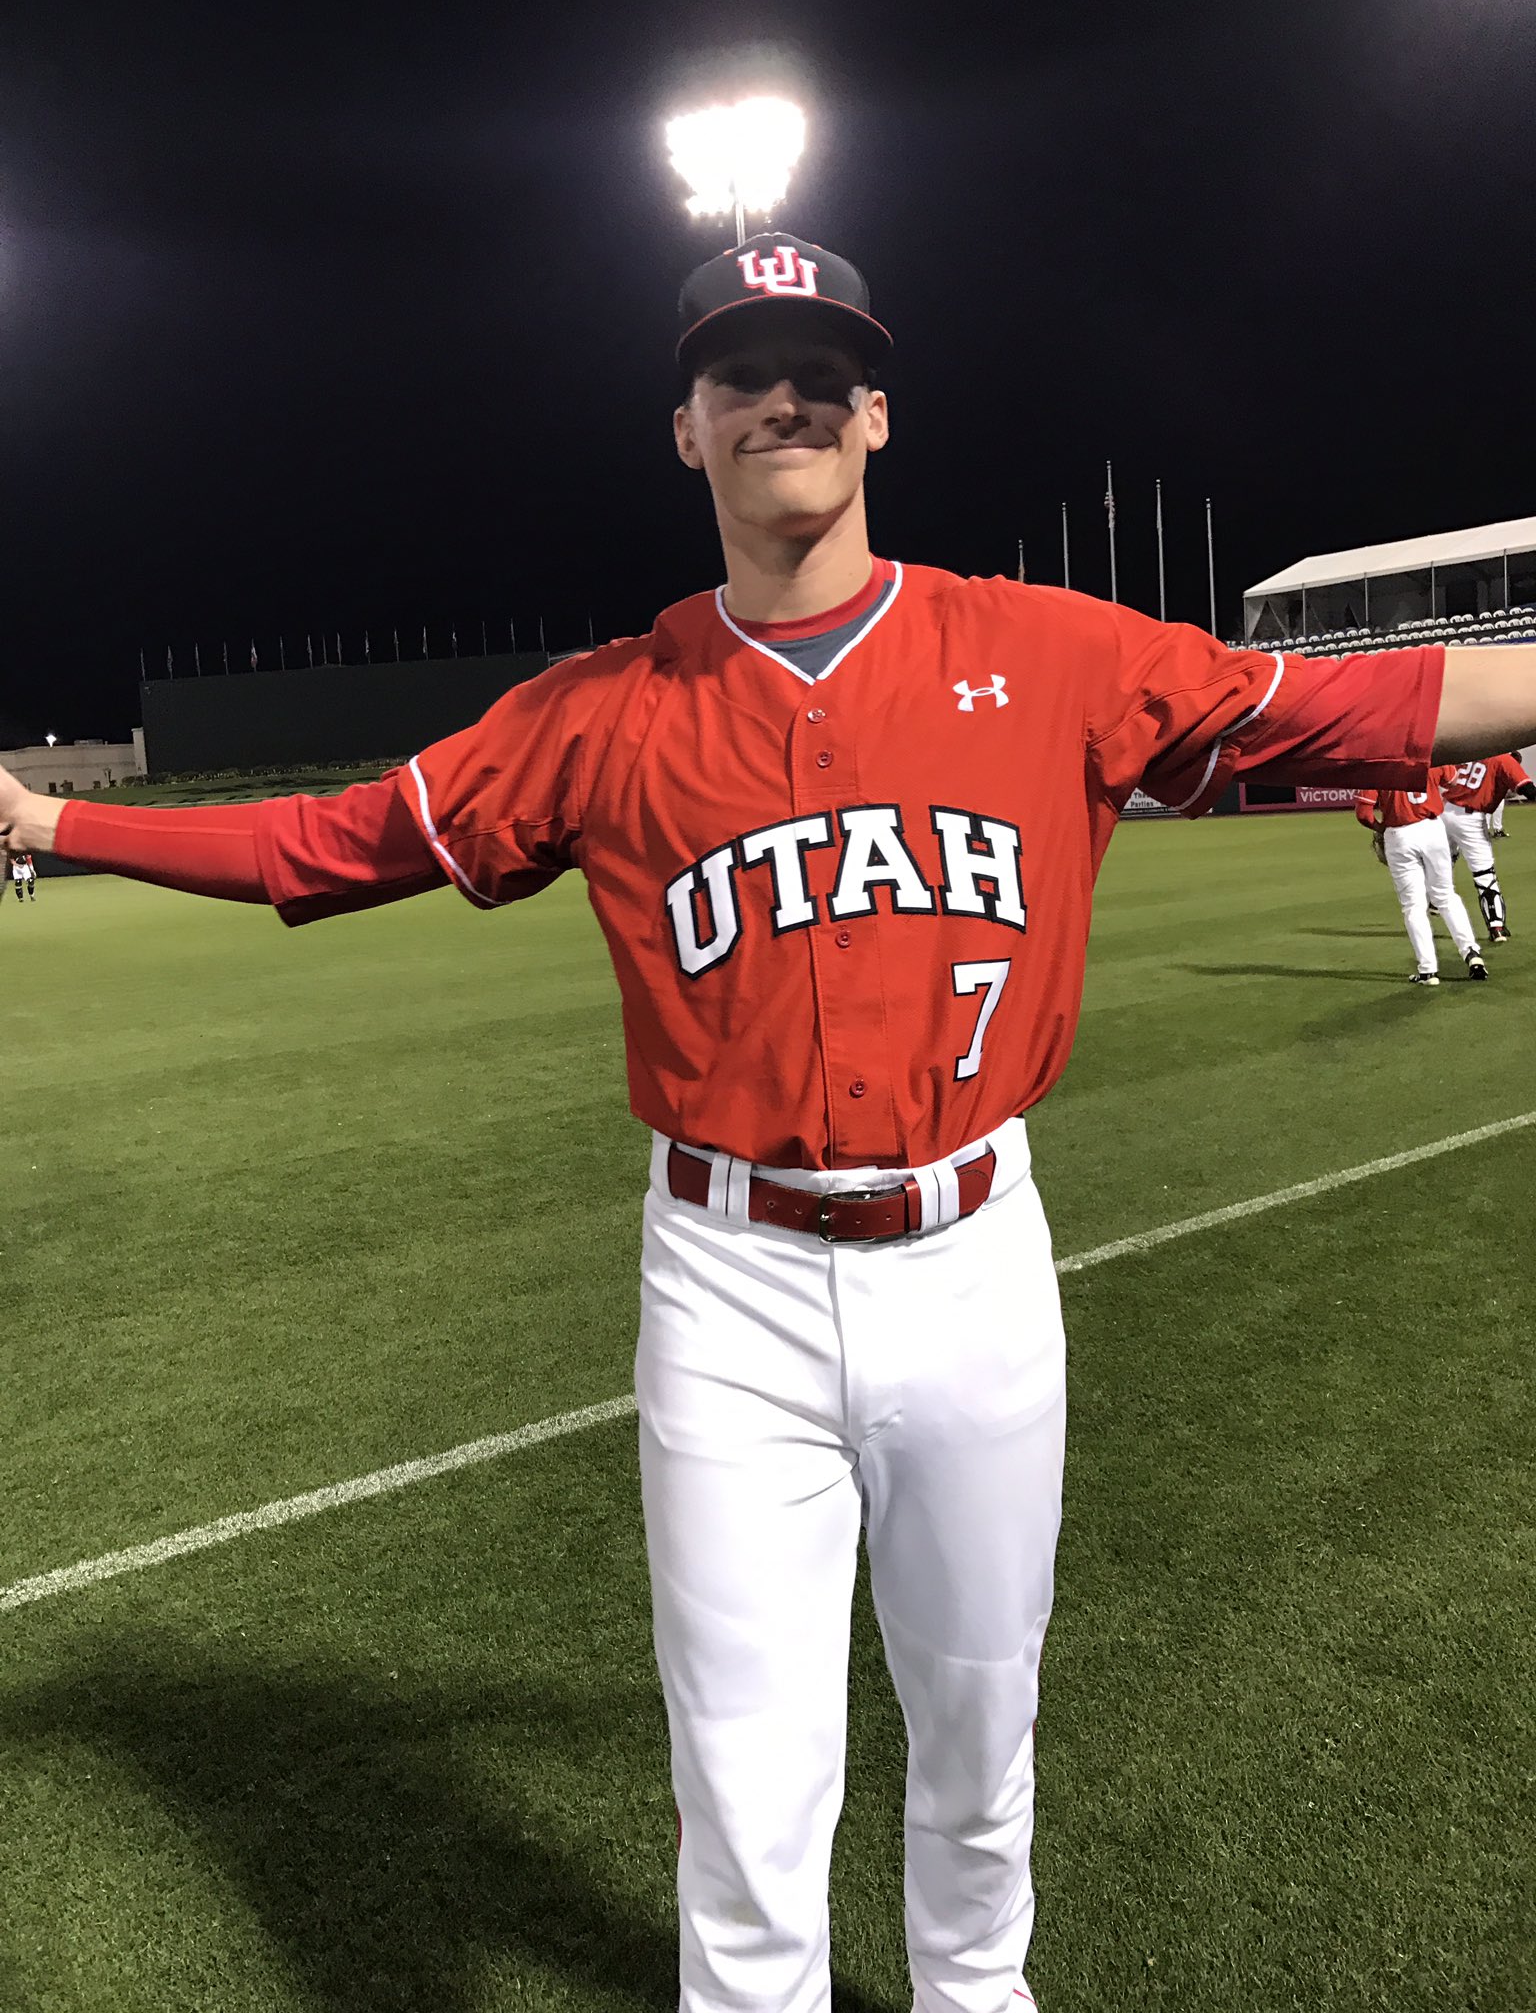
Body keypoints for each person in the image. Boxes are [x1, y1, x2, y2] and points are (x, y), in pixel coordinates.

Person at [4, 233, 1535, 2013]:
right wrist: (50, 826)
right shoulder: (597, 710)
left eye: (819, 372)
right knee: (742, 1787)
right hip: (724, 1281)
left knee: (979, 1723)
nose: (782, 401)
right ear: (687, 431)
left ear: (876, 417)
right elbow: (330, 842)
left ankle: (979, 1995)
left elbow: (1378, 700)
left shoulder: (1044, 650)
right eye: (742, 374)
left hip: (973, 1260)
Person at [1354, 774, 1489, 985]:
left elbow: (1363, 813)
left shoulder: (1380, 765)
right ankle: (1472, 953)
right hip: (1432, 828)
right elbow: (1452, 781)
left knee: (1413, 906)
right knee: (1445, 895)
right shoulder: (1427, 755)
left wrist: (1381, 828)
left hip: (1399, 835)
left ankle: (1428, 971)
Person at [1440, 751, 1536, 941]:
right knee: (1484, 874)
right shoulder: (1503, 758)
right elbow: (1527, 789)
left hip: (1444, 810)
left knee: (1443, 858)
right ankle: (1496, 926)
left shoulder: (1475, 749)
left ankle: (1434, 898)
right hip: (1470, 819)